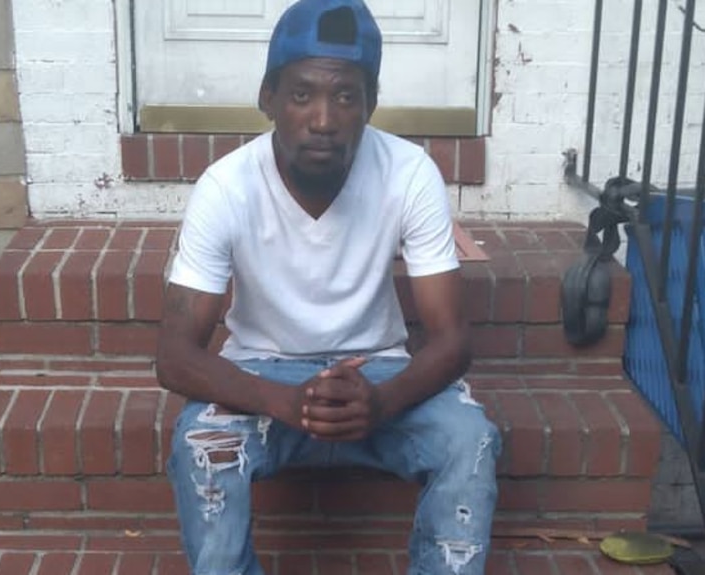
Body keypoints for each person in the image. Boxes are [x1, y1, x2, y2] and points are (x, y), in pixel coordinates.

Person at [156, 1, 501, 573]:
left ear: (369, 104)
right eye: (302, 95)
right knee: (205, 447)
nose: (323, 118)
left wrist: (382, 400)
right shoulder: (225, 186)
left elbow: (451, 340)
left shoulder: (409, 172)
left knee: (471, 439)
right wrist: (284, 402)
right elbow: (174, 356)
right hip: (262, 368)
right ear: (268, 98)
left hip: (378, 369)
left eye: (345, 96)